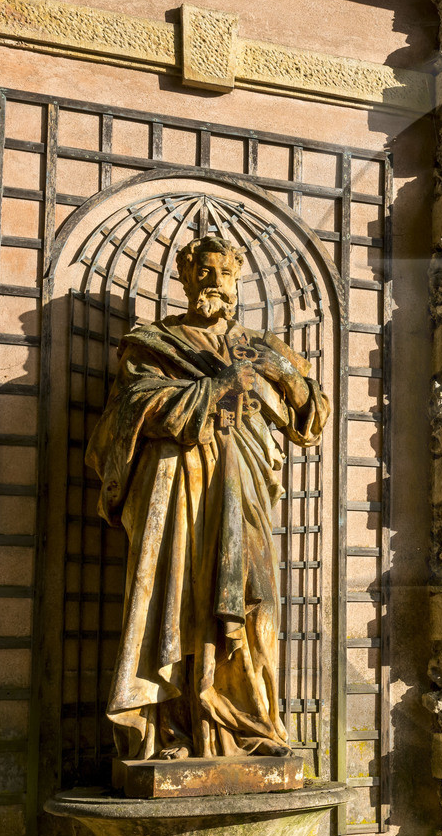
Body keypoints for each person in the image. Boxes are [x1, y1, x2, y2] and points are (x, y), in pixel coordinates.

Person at [86, 234, 330, 760]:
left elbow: (312, 417)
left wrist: (283, 375)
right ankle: (174, 731)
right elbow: (129, 406)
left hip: (246, 484)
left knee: (256, 599)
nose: (213, 281)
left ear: (237, 278)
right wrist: (217, 389)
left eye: (223, 272)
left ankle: (254, 726)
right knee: (175, 600)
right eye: (203, 271)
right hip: (177, 489)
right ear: (185, 276)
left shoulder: (263, 346)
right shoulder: (155, 343)